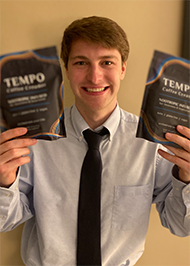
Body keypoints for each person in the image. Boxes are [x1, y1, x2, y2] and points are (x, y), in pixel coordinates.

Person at [0, 16, 190, 266]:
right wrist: (4, 181)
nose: (95, 76)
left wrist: (186, 179)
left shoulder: (153, 143)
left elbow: (180, 225)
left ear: (123, 68)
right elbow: (5, 222)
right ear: (66, 69)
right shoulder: (33, 138)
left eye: (107, 62)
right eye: (81, 62)